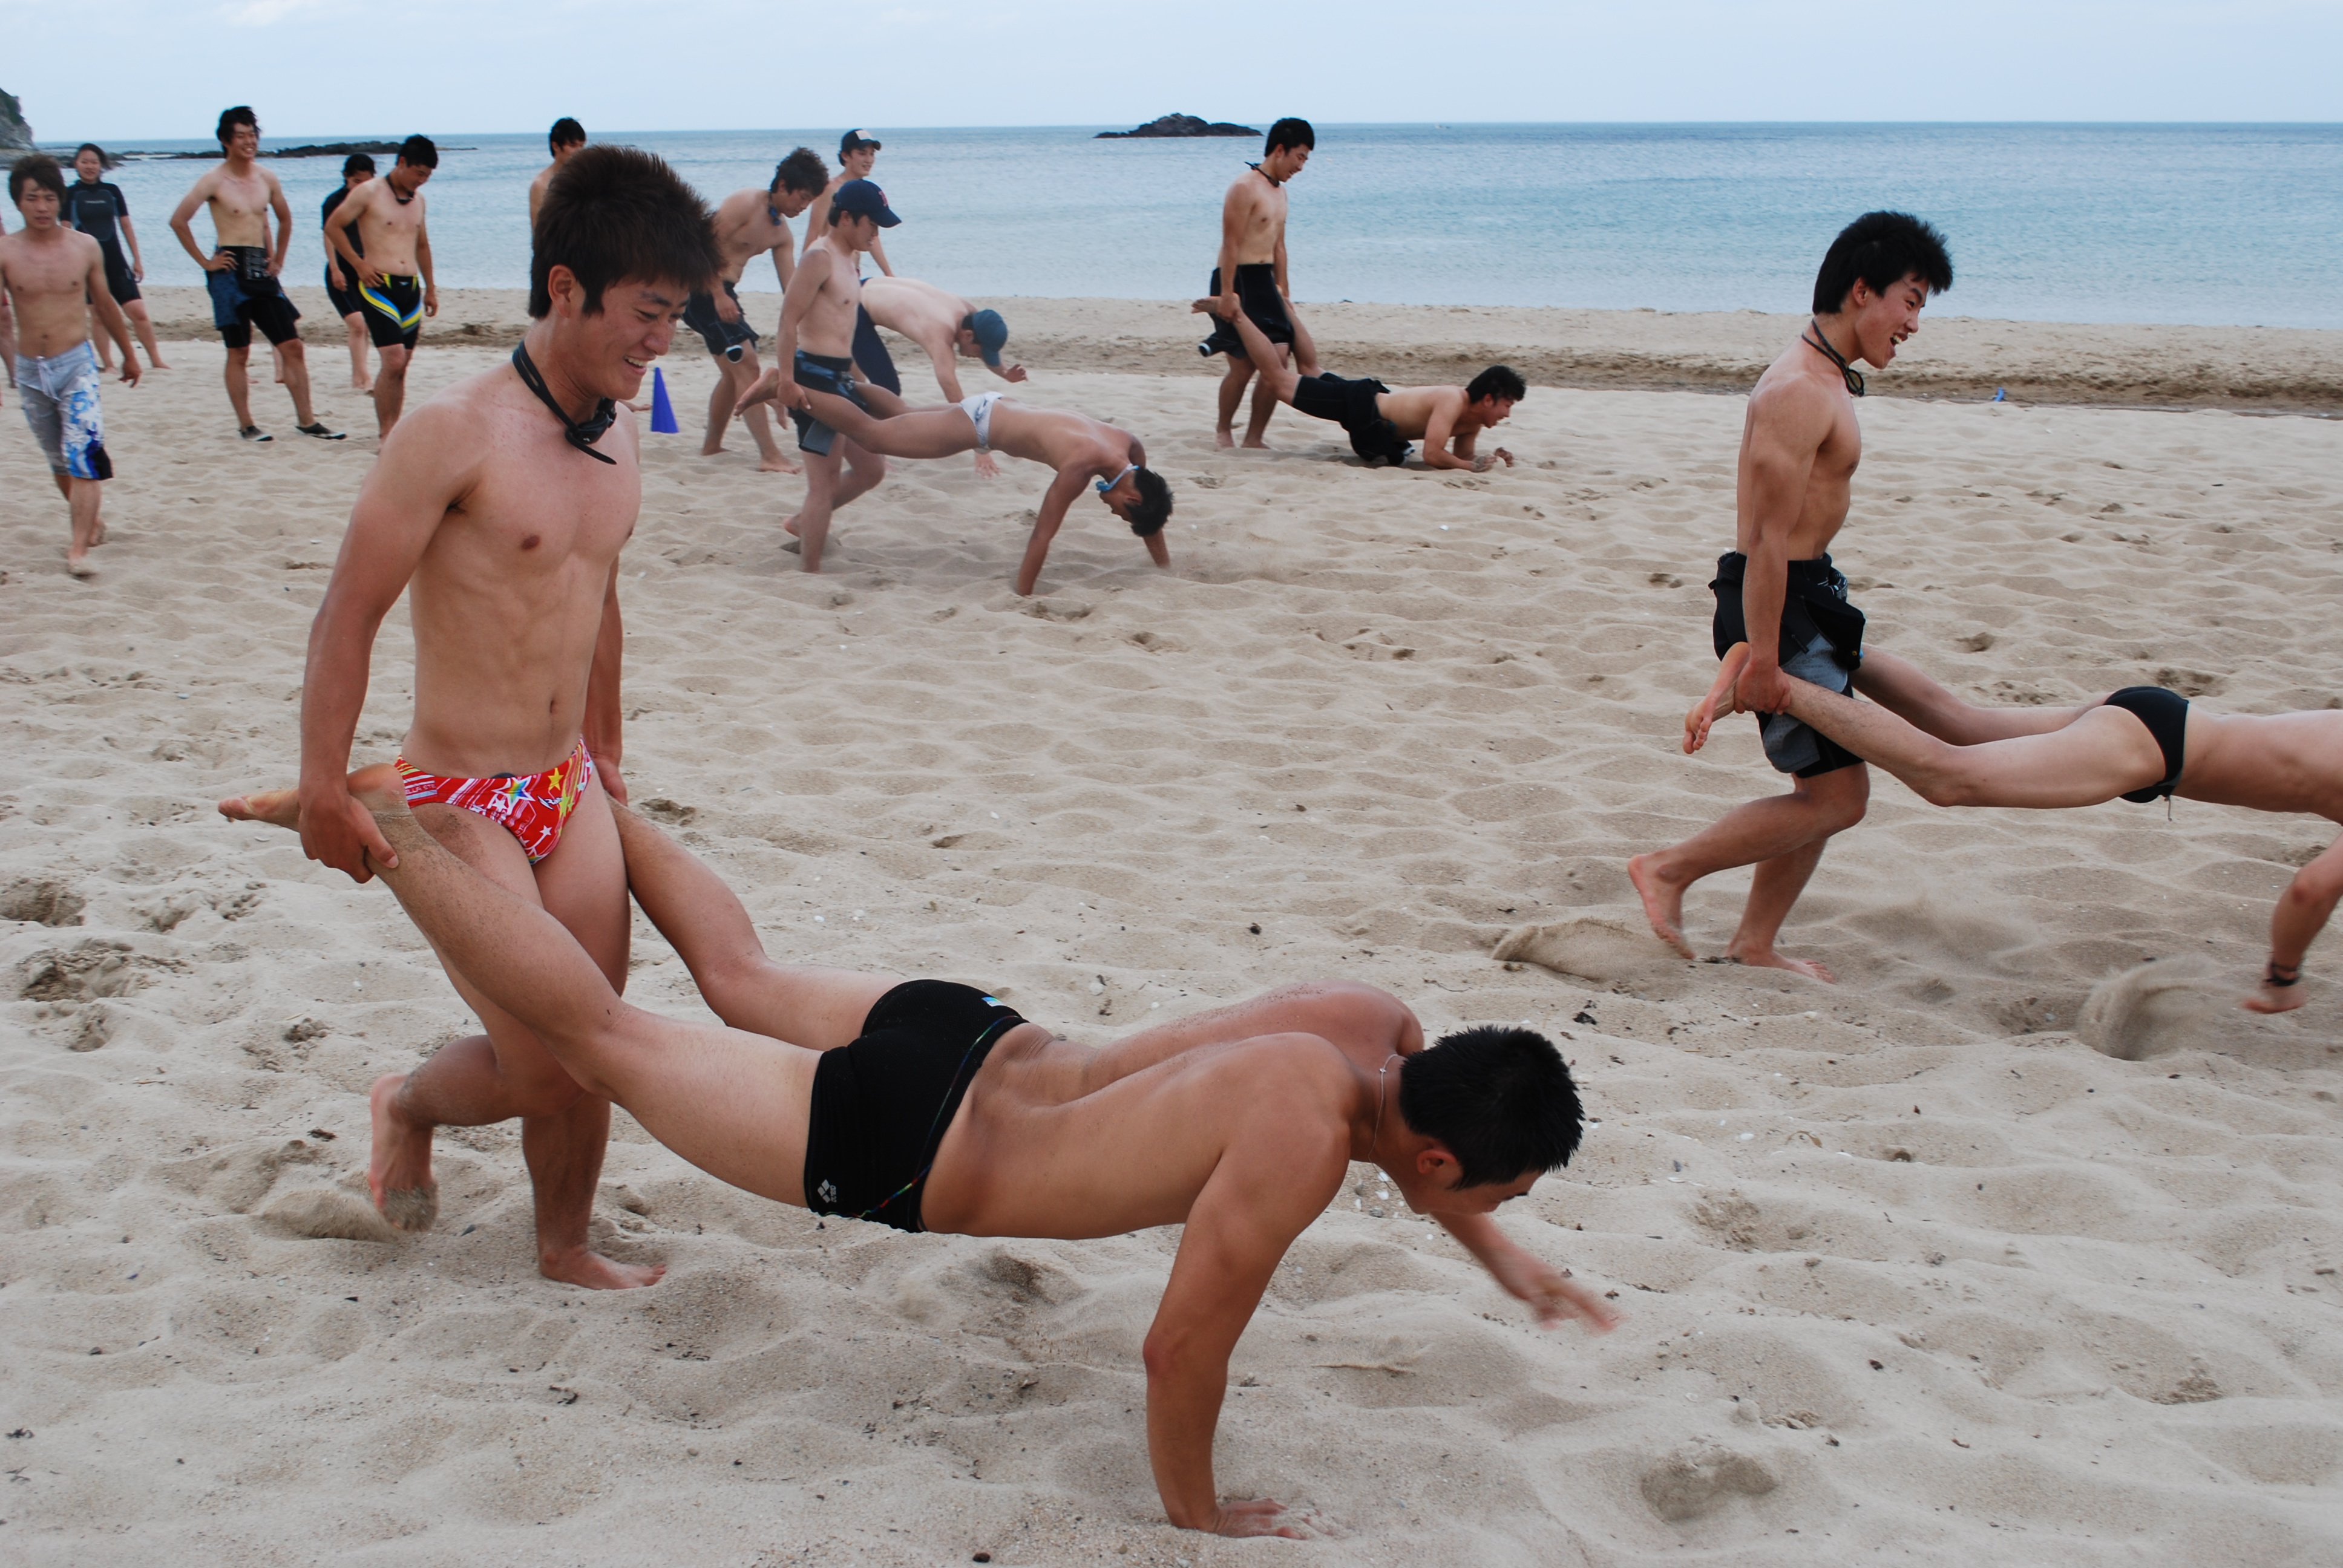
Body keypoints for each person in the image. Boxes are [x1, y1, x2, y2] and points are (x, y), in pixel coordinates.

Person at [217, 773, 1619, 1537]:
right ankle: (379, 836)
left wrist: (1503, 1258)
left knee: (735, 972)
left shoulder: (1373, 1027)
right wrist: (1197, 1514)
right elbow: (1178, 1353)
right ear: (1437, 1163)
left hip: (978, 1035)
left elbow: (1426, 1150)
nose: (1500, 1206)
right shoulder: (1298, 1141)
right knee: (597, 1036)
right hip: (909, 1146)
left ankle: (584, 796)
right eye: (1503, 1190)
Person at [219, 145, 723, 1290]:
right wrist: (324, 785)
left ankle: (564, 1244)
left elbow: (597, 593)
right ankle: (406, 1103)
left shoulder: (617, 431)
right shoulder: (454, 432)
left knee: (594, 1044)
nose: (664, 340)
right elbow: (347, 613)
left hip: (565, 786)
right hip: (457, 798)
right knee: (539, 1065)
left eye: (676, 316)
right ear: (565, 289)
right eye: (647, 313)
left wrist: (605, 743)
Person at [1624, 212, 1953, 980]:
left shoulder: (1825, 376)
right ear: (1861, 290)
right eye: (1909, 301)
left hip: (1807, 596)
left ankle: (1753, 941)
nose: (1913, 323)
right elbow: (1766, 541)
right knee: (1840, 797)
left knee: (1822, 789)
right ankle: (1667, 869)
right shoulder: (1798, 390)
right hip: (1781, 606)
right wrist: (1766, 661)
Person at [1691, 643, 2343, 1017]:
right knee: (1947, 778)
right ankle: (1776, 686)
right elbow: (2311, 891)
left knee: (1959, 723)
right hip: (2152, 750)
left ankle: (1831, 646)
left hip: (2163, 716)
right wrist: (2281, 979)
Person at [767, 382, 1172, 595]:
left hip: (998, 404)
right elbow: (1042, 536)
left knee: (901, 414)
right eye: (1120, 512)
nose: (1113, 512)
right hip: (979, 425)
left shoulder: (1128, 444)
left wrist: (1164, 567)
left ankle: (841, 383)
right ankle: (790, 388)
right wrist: (1023, 595)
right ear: (1131, 497)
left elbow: (1150, 513)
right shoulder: (1080, 467)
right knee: (873, 437)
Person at [743, 177, 899, 573]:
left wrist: (860, 379)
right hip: (813, 380)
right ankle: (809, 571)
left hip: (840, 378)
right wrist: (788, 382)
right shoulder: (819, 258)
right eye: (872, 224)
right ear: (846, 218)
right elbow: (787, 321)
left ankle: (803, 523)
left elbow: (843, 329)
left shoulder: (851, 258)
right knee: (823, 482)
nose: (876, 233)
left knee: (871, 469)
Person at [166, 105, 342, 443]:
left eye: (253, 135)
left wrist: (279, 259)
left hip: (261, 270)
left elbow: (285, 218)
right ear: (226, 141)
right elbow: (178, 221)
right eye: (241, 136)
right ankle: (247, 424)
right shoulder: (214, 180)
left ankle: (307, 421)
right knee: (239, 351)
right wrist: (206, 262)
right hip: (229, 272)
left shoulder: (266, 178)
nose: (249, 142)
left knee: (292, 345)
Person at [2, 154, 141, 576]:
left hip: (76, 365)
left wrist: (129, 354)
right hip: (30, 371)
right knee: (59, 462)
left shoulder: (85, 247)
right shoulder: (6, 252)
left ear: (61, 200)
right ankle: (91, 523)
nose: (42, 207)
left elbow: (105, 304)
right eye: (32, 198)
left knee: (84, 454)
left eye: (49, 198)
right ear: (18, 202)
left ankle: (78, 549)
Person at [1195, 302, 1519, 471]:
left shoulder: (1473, 421)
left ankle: (1284, 306)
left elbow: (1461, 458)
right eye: (1507, 404)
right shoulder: (1452, 400)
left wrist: (1487, 459)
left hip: (1370, 400)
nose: (1507, 413)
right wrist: (1469, 466)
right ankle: (1237, 315)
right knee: (1276, 380)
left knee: (1310, 368)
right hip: (1362, 407)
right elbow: (1433, 455)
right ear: (1488, 399)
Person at [684, 146, 826, 473]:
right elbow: (700, 246)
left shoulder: (781, 234)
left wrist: (815, 314)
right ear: (783, 186)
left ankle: (711, 445)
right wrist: (718, 295)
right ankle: (770, 455)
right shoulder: (746, 203)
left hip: (724, 293)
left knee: (733, 372)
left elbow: (791, 287)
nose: (804, 207)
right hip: (700, 286)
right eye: (802, 198)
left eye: (810, 201)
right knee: (746, 363)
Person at [1200, 118, 1322, 449]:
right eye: (1299, 157)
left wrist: (1284, 291)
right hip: (1235, 278)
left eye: (1306, 159)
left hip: (1264, 281)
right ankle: (1223, 430)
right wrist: (1227, 294)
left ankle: (1254, 437)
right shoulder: (1244, 188)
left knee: (1278, 362)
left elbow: (1279, 246)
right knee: (1243, 367)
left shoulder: (1281, 193)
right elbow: (1231, 243)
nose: (1301, 166)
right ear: (1280, 150)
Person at [855, 275, 1026, 475]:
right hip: (856, 308)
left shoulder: (969, 312)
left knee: (857, 381)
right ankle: (871, 454)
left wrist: (1005, 373)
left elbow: (985, 343)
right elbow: (950, 387)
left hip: (865, 284)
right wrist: (979, 445)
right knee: (888, 390)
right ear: (968, 335)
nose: (979, 357)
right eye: (981, 352)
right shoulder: (940, 331)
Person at [327, 134, 440, 437]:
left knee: (402, 365)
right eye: (419, 173)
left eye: (427, 176)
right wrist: (358, 265)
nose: (422, 181)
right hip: (379, 285)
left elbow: (422, 245)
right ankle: (385, 433)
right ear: (402, 162)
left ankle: (393, 431)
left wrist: (430, 288)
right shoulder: (369, 192)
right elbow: (333, 227)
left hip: (410, 288)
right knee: (393, 359)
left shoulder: (419, 201)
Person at [804, 131, 900, 393]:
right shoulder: (830, 191)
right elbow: (812, 237)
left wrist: (889, 274)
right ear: (845, 156)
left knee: (854, 368)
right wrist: (807, 285)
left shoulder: (865, 192)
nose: (868, 159)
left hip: (852, 278)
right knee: (850, 367)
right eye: (861, 153)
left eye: (872, 154)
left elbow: (872, 238)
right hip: (830, 282)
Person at [64, 145, 168, 371]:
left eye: (94, 162)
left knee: (139, 313)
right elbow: (65, 231)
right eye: (85, 161)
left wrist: (137, 259)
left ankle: (156, 360)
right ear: (76, 164)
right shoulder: (70, 194)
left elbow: (126, 225)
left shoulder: (112, 191)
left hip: (116, 261)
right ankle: (109, 364)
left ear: (101, 165)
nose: (90, 166)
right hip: (87, 265)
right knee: (98, 316)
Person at [323, 153, 377, 393]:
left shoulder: (374, 201)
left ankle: (359, 375)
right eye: (356, 181)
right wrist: (335, 269)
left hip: (367, 270)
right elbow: (328, 236)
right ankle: (363, 378)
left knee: (365, 326)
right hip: (341, 270)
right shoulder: (334, 202)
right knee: (357, 324)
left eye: (366, 182)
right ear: (346, 177)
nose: (360, 187)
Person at [529, 118, 586, 227]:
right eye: (573, 146)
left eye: (582, 146)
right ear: (556, 146)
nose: (580, 151)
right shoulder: (541, 184)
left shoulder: (587, 178)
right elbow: (538, 230)